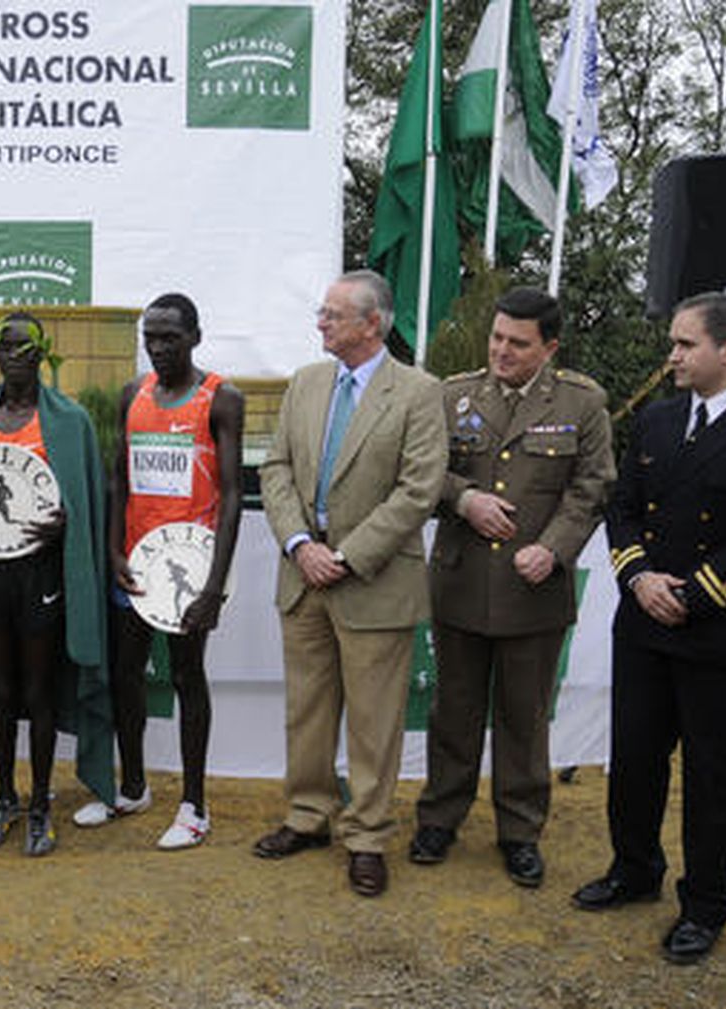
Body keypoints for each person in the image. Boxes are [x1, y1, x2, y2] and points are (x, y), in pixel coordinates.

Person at [572, 291, 726, 964]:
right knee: (636, 757)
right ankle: (634, 868)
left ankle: (707, 901)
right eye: (673, 342)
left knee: (715, 773)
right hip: (645, 621)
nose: (671, 355)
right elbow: (623, 509)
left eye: (684, 344)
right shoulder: (659, 420)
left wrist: (695, 596)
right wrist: (639, 577)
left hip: (720, 630)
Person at [411, 287, 614, 887]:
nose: (501, 350)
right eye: (497, 337)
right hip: (461, 581)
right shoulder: (453, 396)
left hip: (535, 590)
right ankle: (440, 819)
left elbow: (593, 486)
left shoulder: (582, 402)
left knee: (524, 719)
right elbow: (424, 470)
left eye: (517, 344)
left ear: (549, 347)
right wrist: (464, 498)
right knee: (454, 709)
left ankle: (520, 831)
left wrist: (553, 549)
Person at [256, 269, 446, 897]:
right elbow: (276, 468)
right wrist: (300, 544)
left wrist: (347, 555)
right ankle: (308, 816)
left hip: (373, 580)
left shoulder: (419, 393)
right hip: (302, 574)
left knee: (374, 721)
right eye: (322, 312)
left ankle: (367, 836)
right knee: (307, 711)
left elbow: (419, 490)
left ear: (374, 323)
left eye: (333, 315)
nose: (320, 323)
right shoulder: (306, 384)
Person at [0, 312, 114, 858]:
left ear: (41, 355)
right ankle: (4, 798)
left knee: (38, 690)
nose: (14, 357)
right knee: (0, 691)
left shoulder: (68, 421)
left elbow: (84, 502)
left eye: (25, 348)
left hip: (41, 574)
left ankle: (41, 802)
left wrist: (66, 524)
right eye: (6, 347)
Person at [75, 293, 243, 849]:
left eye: (169, 337)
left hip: (190, 568)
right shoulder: (133, 394)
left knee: (186, 678)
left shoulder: (221, 399)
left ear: (195, 336)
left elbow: (235, 494)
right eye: (150, 336)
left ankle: (195, 806)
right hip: (136, 566)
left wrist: (215, 584)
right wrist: (115, 553)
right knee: (126, 677)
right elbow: (120, 478)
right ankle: (133, 785)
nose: (158, 347)